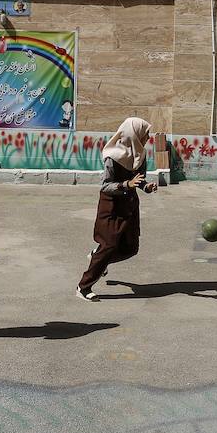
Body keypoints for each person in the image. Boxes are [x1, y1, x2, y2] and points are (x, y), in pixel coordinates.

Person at [77, 117, 157, 301]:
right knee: (109, 245)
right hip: (111, 206)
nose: (147, 138)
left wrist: (146, 187)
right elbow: (105, 186)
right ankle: (83, 287)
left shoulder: (140, 154)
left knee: (131, 248)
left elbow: (139, 179)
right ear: (134, 135)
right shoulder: (113, 157)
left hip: (129, 206)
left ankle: (96, 258)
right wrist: (127, 184)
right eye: (145, 134)